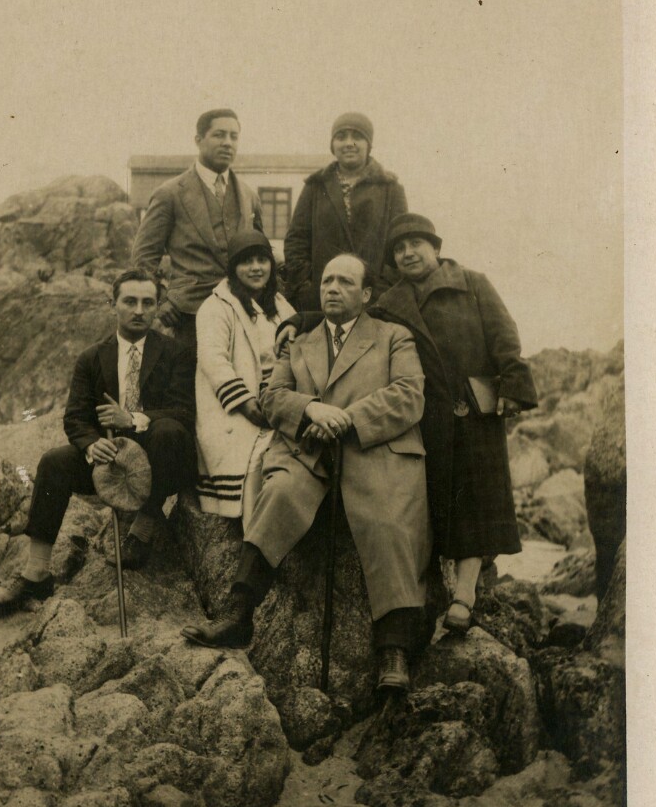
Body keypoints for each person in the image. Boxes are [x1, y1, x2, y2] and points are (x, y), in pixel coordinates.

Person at [276, 215, 538, 635]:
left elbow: (504, 335)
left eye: (416, 244)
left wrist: (513, 383)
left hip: (471, 405)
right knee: (433, 499)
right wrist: (301, 321)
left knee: (476, 498)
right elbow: (349, 315)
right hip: (428, 413)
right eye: (399, 249)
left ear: (436, 247)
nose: (408, 253)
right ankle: (437, 589)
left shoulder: (472, 283)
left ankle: (465, 595)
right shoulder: (389, 301)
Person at [182, 253, 431, 692]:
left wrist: (347, 418)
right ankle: (239, 613)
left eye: (345, 282)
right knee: (279, 493)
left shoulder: (394, 337)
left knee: (387, 520)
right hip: (310, 451)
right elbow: (273, 396)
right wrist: (311, 409)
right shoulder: (298, 342)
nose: (332, 288)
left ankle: (394, 650)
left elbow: (409, 395)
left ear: (366, 294)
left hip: (372, 449)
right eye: (327, 280)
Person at [0, 269, 197, 615]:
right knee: (54, 462)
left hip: (159, 458)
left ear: (158, 307)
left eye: (148, 302)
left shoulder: (176, 353)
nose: (139, 310)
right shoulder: (92, 357)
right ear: (112, 304)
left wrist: (133, 419)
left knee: (169, 432)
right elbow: (76, 418)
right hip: (109, 460)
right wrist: (91, 445)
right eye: (130, 301)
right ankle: (36, 573)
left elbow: (184, 411)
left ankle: (144, 526)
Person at [130, 108, 264, 351]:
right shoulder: (170, 193)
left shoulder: (249, 196)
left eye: (234, 136)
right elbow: (144, 256)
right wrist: (160, 298)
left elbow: (260, 252)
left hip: (243, 308)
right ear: (198, 140)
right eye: (219, 135)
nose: (227, 143)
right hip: (189, 314)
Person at [195, 232, 295, 528]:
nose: (255, 268)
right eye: (246, 262)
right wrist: (247, 404)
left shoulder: (280, 305)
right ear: (233, 268)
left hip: (275, 397)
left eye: (262, 260)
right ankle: (254, 535)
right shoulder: (216, 306)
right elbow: (214, 360)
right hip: (233, 407)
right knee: (256, 457)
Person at [283, 111, 408, 311]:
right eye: (341, 137)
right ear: (333, 145)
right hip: (323, 299)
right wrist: (307, 288)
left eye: (357, 136)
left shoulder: (390, 188)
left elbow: (400, 243)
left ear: (369, 145)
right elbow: (296, 241)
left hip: (375, 300)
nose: (349, 143)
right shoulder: (315, 186)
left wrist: (383, 290)